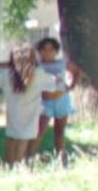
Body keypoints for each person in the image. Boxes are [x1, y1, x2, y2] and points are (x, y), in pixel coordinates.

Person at [35, 35, 83, 164]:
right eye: (44, 50)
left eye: (51, 50)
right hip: (45, 102)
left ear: (56, 51)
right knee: (39, 130)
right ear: (39, 52)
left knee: (60, 130)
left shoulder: (62, 63)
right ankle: (30, 158)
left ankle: (62, 159)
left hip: (62, 99)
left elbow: (77, 72)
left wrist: (71, 86)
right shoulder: (37, 65)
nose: (47, 53)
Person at [2, 41, 43, 165]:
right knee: (23, 138)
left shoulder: (7, 74)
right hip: (31, 111)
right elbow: (55, 86)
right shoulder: (39, 73)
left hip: (13, 110)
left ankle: (9, 164)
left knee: (12, 137)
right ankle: (19, 166)